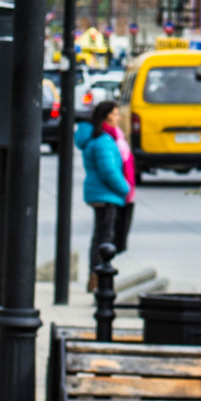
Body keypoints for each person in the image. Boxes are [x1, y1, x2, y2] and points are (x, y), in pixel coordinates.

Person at [75, 100, 135, 289]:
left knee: (102, 235)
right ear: (108, 116)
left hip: (103, 194)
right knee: (104, 237)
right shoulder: (103, 141)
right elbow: (108, 170)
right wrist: (126, 188)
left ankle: (97, 274)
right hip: (106, 194)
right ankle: (98, 275)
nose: (119, 118)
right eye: (116, 114)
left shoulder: (105, 138)